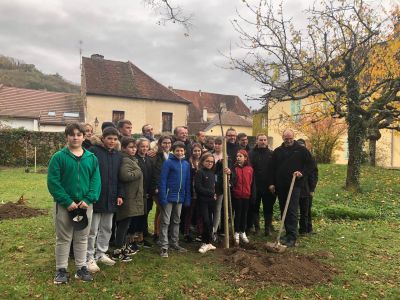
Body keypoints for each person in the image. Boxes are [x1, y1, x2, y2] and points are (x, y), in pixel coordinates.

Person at [48, 123, 101, 284]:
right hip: (65, 206)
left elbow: (96, 181)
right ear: (67, 137)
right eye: (72, 135)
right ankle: (61, 270)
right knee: (63, 238)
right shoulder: (58, 157)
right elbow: (53, 182)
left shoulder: (91, 158)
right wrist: (66, 201)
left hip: (85, 206)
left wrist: (88, 199)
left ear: (84, 137)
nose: (76, 137)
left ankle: (81, 268)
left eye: (79, 134)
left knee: (82, 237)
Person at [87, 127, 124, 273]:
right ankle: (89, 256)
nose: (112, 141)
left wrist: (120, 194)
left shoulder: (118, 155)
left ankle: (101, 253)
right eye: (109, 138)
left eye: (115, 139)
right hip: (96, 197)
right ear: (103, 138)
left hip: (112, 197)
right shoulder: (93, 152)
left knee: (107, 227)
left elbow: (119, 177)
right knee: (92, 229)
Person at [268, 129, 313, 247]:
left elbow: (311, 165)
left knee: (292, 210)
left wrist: (301, 173)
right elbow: (272, 168)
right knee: (284, 209)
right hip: (280, 185)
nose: (288, 141)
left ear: (294, 137)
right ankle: (287, 233)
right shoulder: (278, 151)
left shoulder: (302, 150)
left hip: (295, 185)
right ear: (283, 138)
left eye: (290, 139)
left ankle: (292, 236)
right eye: (286, 139)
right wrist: (272, 183)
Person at [113, 137, 144, 262]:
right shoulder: (126, 160)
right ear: (124, 148)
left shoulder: (131, 159)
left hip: (131, 196)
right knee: (123, 224)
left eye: (135, 147)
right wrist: (138, 170)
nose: (134, 149)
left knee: (126, 224)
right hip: (128, 197)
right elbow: (125, 175)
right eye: (131, 147)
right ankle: (118, 249)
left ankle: (123, 247)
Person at [158, 141, 191, 258]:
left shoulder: (186, 164)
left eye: (181, 150)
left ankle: (174, 243)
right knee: (165, 221)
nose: (179, 152)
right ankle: (164, 246)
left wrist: (187, 197)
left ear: (184, 151)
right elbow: (162, 180)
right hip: (168, 196)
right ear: (173, 151)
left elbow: (187, 182)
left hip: (180, 197)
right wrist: (163, 196)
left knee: (176, 221)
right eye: (177, 150)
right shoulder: (168, 163)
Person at [248, 133, 276, 236]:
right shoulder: (251, 154)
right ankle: (257, 228)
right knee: (255, 207)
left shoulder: (271, 154)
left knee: (268, 207)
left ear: (267, 141)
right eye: (261, 140)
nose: (263, 142)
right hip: (255, 185)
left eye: (264, 140)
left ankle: (267, 229)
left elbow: (274, 170)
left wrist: (273, 183)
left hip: (269, 186)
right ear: (257, 141)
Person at [231, 150, 255, 245]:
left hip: (246, 195)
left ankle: (242, 231)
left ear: (245, 158)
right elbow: (232, 181)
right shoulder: (234, 168)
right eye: (237, 156)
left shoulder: (250, 169)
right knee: (238, 214)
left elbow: (252, 183)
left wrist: (252, 195)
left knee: (244, 214)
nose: (238, 158)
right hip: (237, 195)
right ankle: (236, 232)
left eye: (240, 156)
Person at [135, 138, 155, 247]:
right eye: (142, 146)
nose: (144, 148)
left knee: (146, 213)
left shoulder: (149, 160)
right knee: (139, 215)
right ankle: (137, 237)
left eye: (146, 146)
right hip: (139, 193)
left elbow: (152, 176)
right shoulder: (135, 159)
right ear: (138, 147)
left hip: (148, 192)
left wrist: (150, 190)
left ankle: (143, 234)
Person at [195, 153, 217, 253]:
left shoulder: (212, 173)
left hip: (211, 202)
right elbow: (198, 188)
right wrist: (212, 193)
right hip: (202, 201)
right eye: (207, 161)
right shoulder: (200, 172)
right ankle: (204, 243)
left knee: (211, 222)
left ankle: (208, 243)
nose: (209, 163)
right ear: (202, 161)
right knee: (206, 221)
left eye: (211, 161)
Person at [152, 135, 173, 239]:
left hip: (168, 187)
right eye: (164, 143)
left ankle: (156, 231)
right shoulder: (157, 155)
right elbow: (156, 172)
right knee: (163, 209)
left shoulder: (171, 155)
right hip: (158, 187)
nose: (167, 145)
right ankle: (160, 233)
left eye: (169, 143)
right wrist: (156, 186)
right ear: (160, 144)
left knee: (159, 210)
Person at [297, 139, 319, 235]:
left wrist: (312, 189)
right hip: (297, 188)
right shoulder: (295, 158)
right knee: (296, 210)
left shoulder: (310, 159)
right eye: (299, 146)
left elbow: (314, 175)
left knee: (306, 210)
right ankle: (302, 228)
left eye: (303, 146)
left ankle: (306, 228)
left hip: (307, 188)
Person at [183, 143, 203, 242]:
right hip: (191, 190)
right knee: (189, 212)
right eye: (195, 151)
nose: (197, 153)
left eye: (199, 151)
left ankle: (200, 232)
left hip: (200, 191)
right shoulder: (188, 162)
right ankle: (186, 232)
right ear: (192, 151)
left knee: (199, 213)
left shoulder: (203, 161)